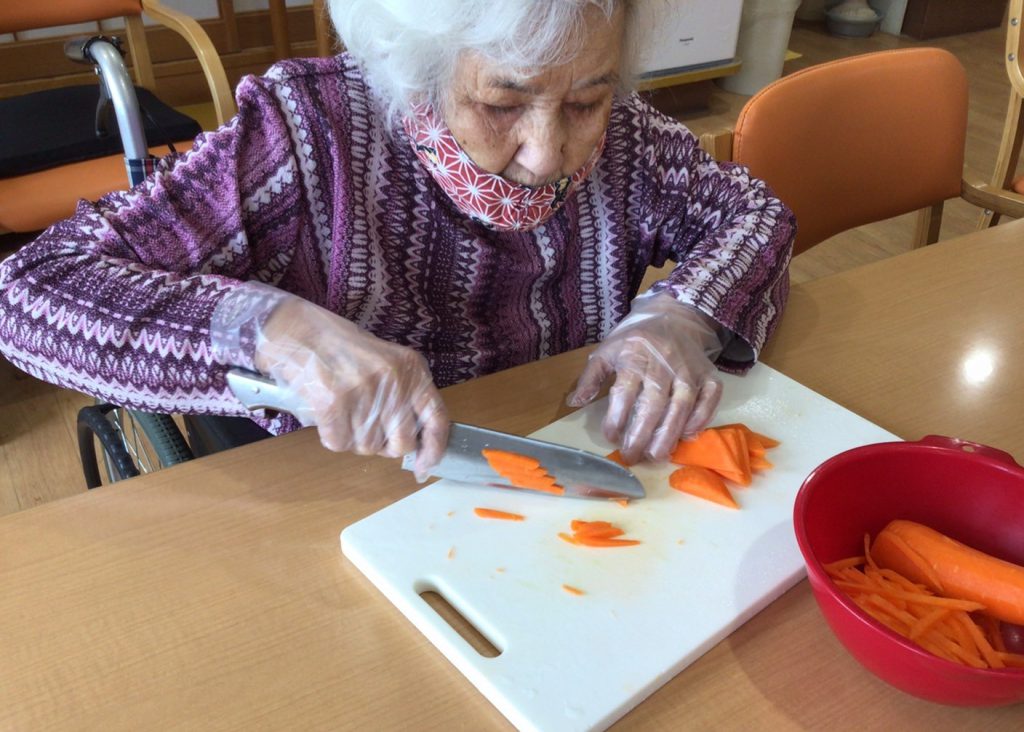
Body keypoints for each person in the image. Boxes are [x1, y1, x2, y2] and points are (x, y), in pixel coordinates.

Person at [0, 0, 794, 476]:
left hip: (557, 443)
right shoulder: (307, 131)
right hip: (343, 490)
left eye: (586, 101)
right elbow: (31, 292)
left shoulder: (628, 138)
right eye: (502, 104)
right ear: (415, 68)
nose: (549, 154)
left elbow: (754, 215)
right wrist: (274, 328)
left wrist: (678, 317)